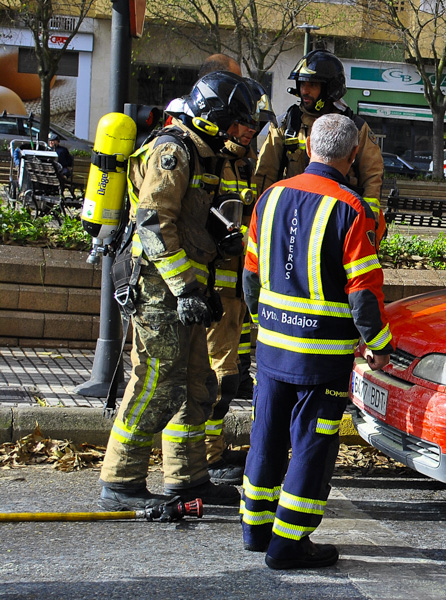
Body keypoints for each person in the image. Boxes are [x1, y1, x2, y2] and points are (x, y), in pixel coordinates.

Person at [98, 71, 261, 510]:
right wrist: (184, 287)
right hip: (158, 288)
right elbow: (153, 222)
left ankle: (187, 479)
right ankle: (121, 480)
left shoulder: (209, 153)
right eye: (239, 122)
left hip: (191, 287)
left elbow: (188, 219)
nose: (246, 131)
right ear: (214, 118)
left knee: (196, 384)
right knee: (156, 383)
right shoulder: (174, 149)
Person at [240, 113, 393, 570]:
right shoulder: (352, 209)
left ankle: (256, 528)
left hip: (271, 348)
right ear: (350, 157)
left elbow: (250, 276)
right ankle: (289, 543)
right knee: (312, 443)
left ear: (308, 147)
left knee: (265, 434)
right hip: (321, 358)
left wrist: (265, 325)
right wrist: (380, 344)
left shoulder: (269, 197)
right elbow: (363, 292)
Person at [201, 76, 276, 486]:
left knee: (228, 375)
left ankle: (209, 454)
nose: (252, 131)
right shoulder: (210, 159)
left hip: (236, 290)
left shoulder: (237, 161)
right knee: (218, 376)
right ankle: (205, 458)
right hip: (216, 289)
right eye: (245, 124)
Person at [253, 49, 386, 244]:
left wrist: (368, 222)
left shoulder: (355, 128)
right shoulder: (286, 125)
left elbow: (373, 177)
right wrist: (262, 218)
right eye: (302, 84)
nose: (304, 91)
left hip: (339, 219)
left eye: (312, 85)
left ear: (330, 88)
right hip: (293, 217)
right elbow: (264, 175)